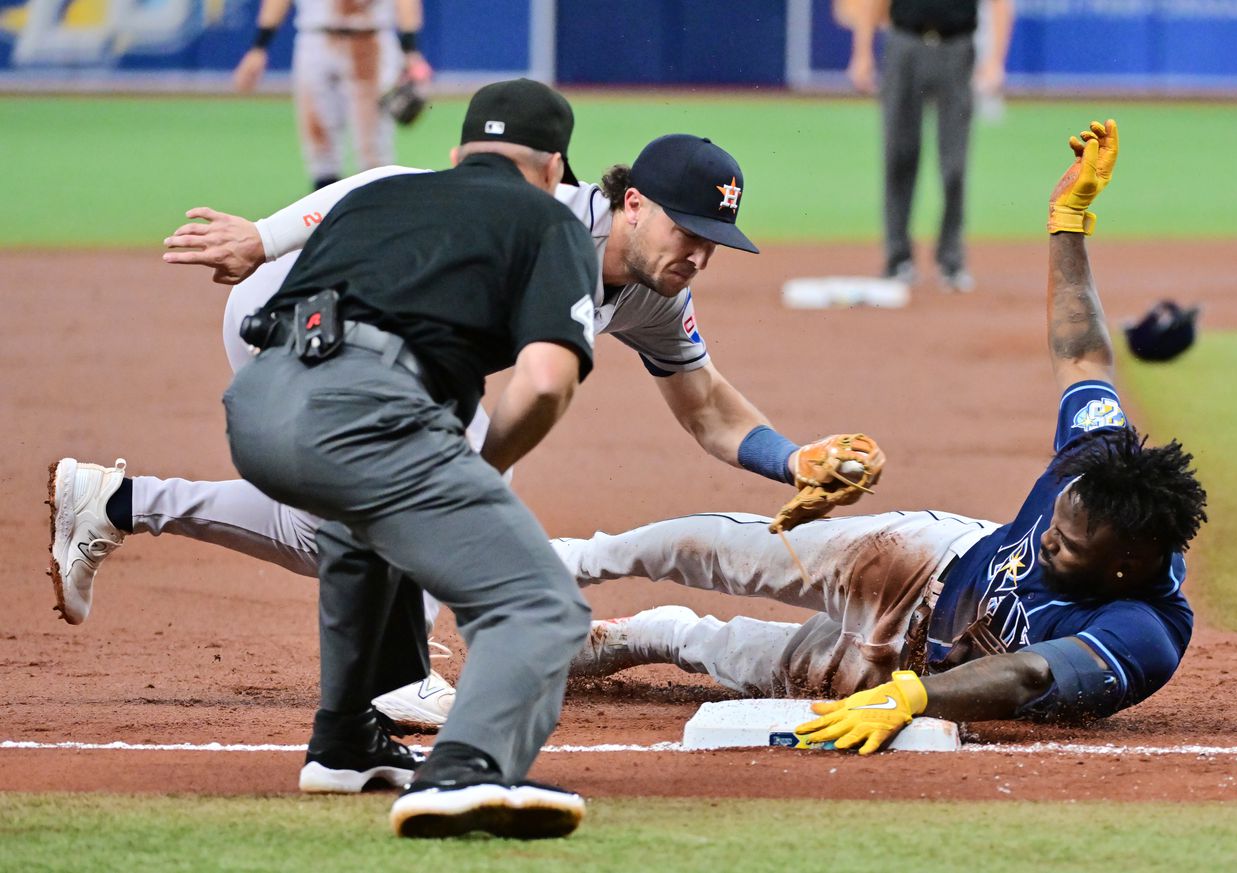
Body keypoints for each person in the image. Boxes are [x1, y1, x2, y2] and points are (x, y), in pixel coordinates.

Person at [50, 134, 876, 732]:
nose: (699, 253)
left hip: (379, 350)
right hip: (299, 299)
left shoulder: (656, 293)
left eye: (714, 241)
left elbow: (706, 407)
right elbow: (382, 184)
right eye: (688, 231)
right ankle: (404, 672)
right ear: (633, 204)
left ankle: (116, 501)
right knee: (444, 465)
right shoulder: (542, 212)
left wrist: (791, 458)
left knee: (339, 529)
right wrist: (262, 237)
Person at [555, 120, 1210, 754]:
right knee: (752, 546)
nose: (1044, 536)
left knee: (733, 654)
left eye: (1066, 545)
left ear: (1126, 564)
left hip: (924, 667)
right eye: (1054, 523)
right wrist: (1068, 225)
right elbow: (1083, 356)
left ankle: (635, 637)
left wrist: (913, 695)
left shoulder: (1143, 634)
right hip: (935, 558)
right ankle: (570, 561)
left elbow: (1032, 673)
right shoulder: (1100, 468)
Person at [224, 76, 601, 839]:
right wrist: (482, 468)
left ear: (459, 152)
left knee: (359, 526)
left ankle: (342, 742)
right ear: (555, 168)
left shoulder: (373, 197)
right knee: (539, 604)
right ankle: (465, 769)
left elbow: (288, 312)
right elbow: (545, 380)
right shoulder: (545, 219)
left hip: (259, 405)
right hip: (368, 410)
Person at [836, 0, 1014, 292]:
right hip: (905, 43)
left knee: (954, 166)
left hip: (956, 47)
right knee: (898, 156)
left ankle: (951, 262)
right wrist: (862, 52)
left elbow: (1000, 4)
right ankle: (897, 259)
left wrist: (996, 60)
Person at [233, 0, 433, 190]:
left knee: (373, 148)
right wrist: (259, 47)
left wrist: (410, 49)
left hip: (371, 40)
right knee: (319, 143)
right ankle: (325, 217)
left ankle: (376, 219)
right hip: (315, 38)